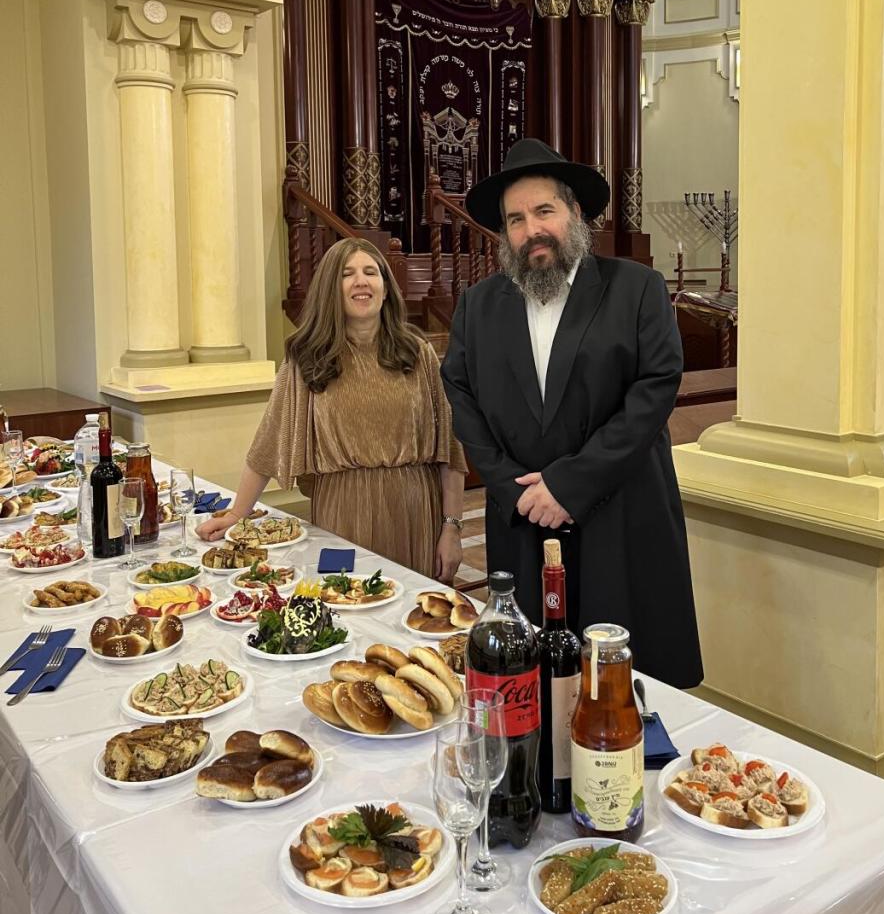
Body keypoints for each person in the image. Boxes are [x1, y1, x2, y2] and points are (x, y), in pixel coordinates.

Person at [441, 139, 702, 688]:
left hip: (619, 515)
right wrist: (517, 491)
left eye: (544, 211)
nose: (531, 229)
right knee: (531, 679)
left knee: (624, 687)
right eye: (516, 219)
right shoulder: (478, 305)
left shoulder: (636, 289)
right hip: (523, 521)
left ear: (575, 214)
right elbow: (460, 396)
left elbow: (654, 391)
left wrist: (567, 484)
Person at [197, 238, 467, 582]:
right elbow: (268, 441)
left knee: (412, 619)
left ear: (385, 289)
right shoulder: (307, 357)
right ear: (330, 289)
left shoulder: (418, 352)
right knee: (347, 607)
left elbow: (449, 449)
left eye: (371, 272)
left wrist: (452, 529)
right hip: (343, 510)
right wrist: (237, 513)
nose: (361, 281)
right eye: (347, 274)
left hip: (414, 508)